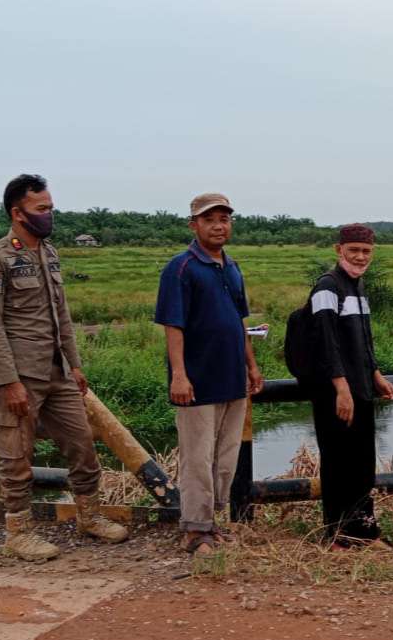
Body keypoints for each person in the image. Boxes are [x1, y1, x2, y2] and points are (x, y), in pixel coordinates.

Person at [0, 174, 129, 560]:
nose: (49, 215)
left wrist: (75, 365)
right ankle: (18, 533)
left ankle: (89, 516)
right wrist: (8, 382)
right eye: (41, 209)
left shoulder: (49, 253)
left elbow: (62, 316)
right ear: (17, 212)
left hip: (57, 371)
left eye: (50, 208)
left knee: (82, 445)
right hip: (20, 374)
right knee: (16, 456)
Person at [155, 193, 264, 555]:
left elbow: (239, 322)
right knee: (197, 456)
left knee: (226, 454)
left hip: (231, 377)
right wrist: (179, 375)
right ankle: (195, 530)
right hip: (198, 379)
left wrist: (251, 365)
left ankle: (212, 522)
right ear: (194, 225)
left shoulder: (231, 267)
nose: (219, 226)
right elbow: (173, 325)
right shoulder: (181, 268)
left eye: (225, 219)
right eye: (210, 219)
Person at [304, 223, 393, 547]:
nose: (360, 257)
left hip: (360, 390)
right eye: (354, 250)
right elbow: (325, 341)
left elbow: (362, 340)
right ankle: (338, 535)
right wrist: (341, 388)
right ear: (338, 250)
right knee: (339, 464)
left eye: (366, 251)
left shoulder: (356, 286)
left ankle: (363, 532)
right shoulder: (327, 287)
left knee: (361, 465)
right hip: (337, 393)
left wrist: (375, 374)